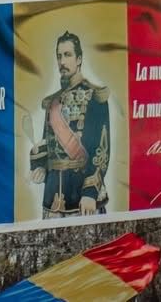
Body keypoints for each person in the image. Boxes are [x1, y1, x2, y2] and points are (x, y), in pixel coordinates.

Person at [28, 31, 111, 218]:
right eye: (59, 56)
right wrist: (40, 166)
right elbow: (48, 144)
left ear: (79, 59)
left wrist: (90, 192)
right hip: (52, 199)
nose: (62, 62)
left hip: (82, 198)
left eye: (67, 55)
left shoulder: (95, 97)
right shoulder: (53, 103)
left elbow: (102, 150)